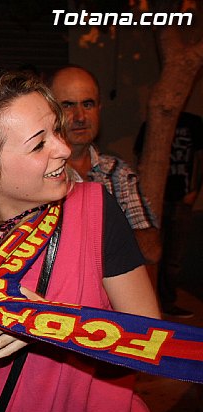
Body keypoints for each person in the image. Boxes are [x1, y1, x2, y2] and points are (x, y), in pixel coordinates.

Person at [0, 71, 161, 412]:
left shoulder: (93, 209)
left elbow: (150, 339)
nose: (63, 149)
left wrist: (52, 323)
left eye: (55, 132)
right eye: (38, 144)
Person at [49, 65, 162, 266]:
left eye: (88, 104)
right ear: (50, 112)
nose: (80, 116)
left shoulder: (118, 172)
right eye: (67, 105)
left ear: (99, 109)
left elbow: (150, 249)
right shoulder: (39, 173)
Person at [135, 111, 203, 318]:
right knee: (149, 254)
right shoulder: (152, 122)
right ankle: (150, 304)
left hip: (182, 199)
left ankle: (168, 301)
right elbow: (141, 155)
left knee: (174, 257)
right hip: (155, 198)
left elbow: (200, 157)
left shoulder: (193, 123)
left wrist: (194, 190)